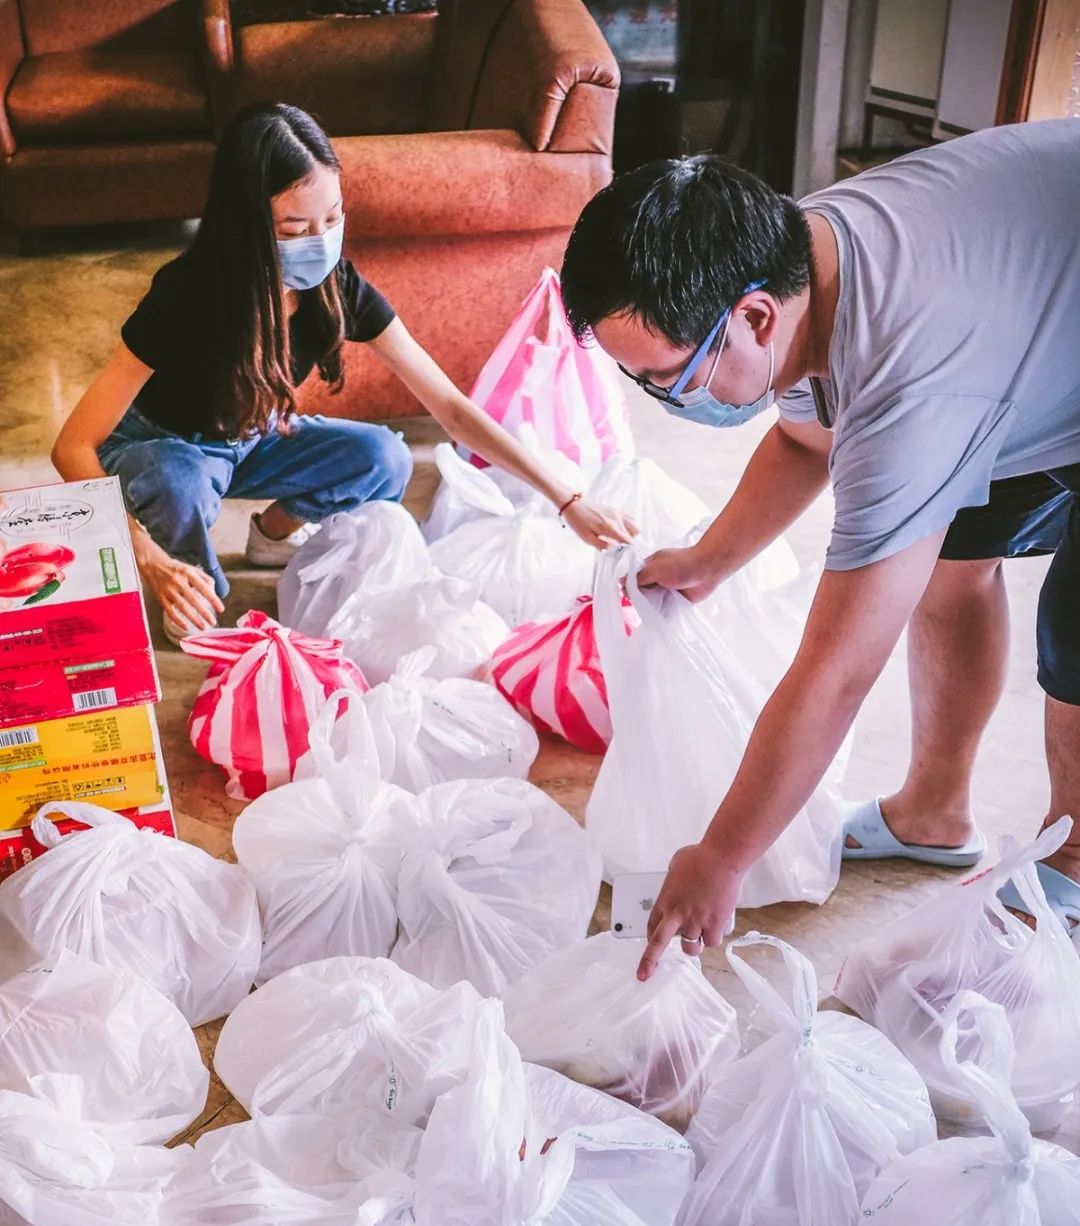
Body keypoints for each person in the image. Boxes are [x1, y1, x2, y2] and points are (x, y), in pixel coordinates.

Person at [558, 122, 1080, 977]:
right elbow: (804, 444)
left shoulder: (908, 385)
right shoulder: (793, 257)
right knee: (949, 564)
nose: (668, 404)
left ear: (755, 316)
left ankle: (1077, 859)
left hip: (1014, 336)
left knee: (1077, 629)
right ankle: (933, 813)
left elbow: (837, 673)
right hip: (1023, 318)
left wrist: (721, 857)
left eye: (673, 381)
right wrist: (708, 560)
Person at [53, 102, 635, 641]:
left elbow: (452, 409)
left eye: (332, 218)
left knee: (386, 459)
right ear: (243, 226)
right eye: (294, 230)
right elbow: (74, 445)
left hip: (254, 433)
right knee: (178, 487)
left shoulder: (336, 286)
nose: (320, 242)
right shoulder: (184, 295)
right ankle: (190, 589)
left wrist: (567, 498)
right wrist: (149, 562)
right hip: (163, 446)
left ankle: (272, 536)